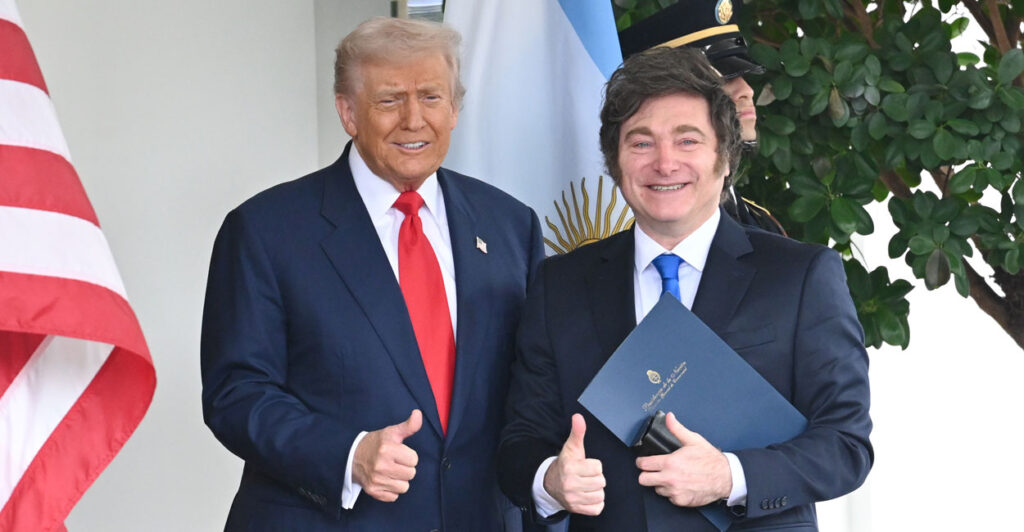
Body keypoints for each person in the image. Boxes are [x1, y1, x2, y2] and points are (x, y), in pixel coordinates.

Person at [497, 46, 872, 531]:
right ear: (615, 161)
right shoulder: (560, 284)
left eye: (688, 140)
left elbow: (846, 445)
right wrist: (549, 479)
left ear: (725, 155)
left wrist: (730, 477)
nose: (665, 162)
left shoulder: (802, 277)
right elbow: (519, 441)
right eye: (641, 143)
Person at [201, 17, 543, 531]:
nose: (413, 120)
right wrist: (348, 454)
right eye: (389, 100)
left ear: (455, 110)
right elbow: (237, 391)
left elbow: (533, 382)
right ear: (348, 112)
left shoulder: (511, 224)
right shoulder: (265, 230)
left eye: (431, 97)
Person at [618, 0, 786, 235]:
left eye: (742, 76)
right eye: (722, 80)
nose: (746, 91)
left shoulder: (759, 222)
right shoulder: (627, 221)